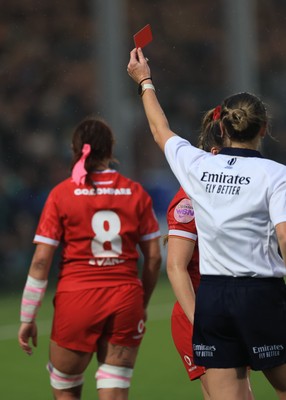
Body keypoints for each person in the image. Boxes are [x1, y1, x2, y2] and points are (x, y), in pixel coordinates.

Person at [127, 47, 286, 400]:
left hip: (213, 300)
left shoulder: (199, 167)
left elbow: (159, 129)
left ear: (223, 127)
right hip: (259, 294)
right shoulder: (276, 175)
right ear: (263, 128)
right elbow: (284, 236)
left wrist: (144, 80)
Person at [18, 117, 162, 400]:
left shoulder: (62, 194)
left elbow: (40, 262)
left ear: (75, 150)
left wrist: (27, 316)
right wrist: (140, 302)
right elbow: (155, 258)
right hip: (125, 299)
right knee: (115, 392)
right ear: (110, 150)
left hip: (77, 300)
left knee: (66, 391)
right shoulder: (135, 192)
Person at [166, 115, 254, 400]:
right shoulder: (189, 201)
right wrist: (200, 323)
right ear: (215, 153)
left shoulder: (230, 195)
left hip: (230, 312)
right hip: (200, 315)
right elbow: (176, 267)